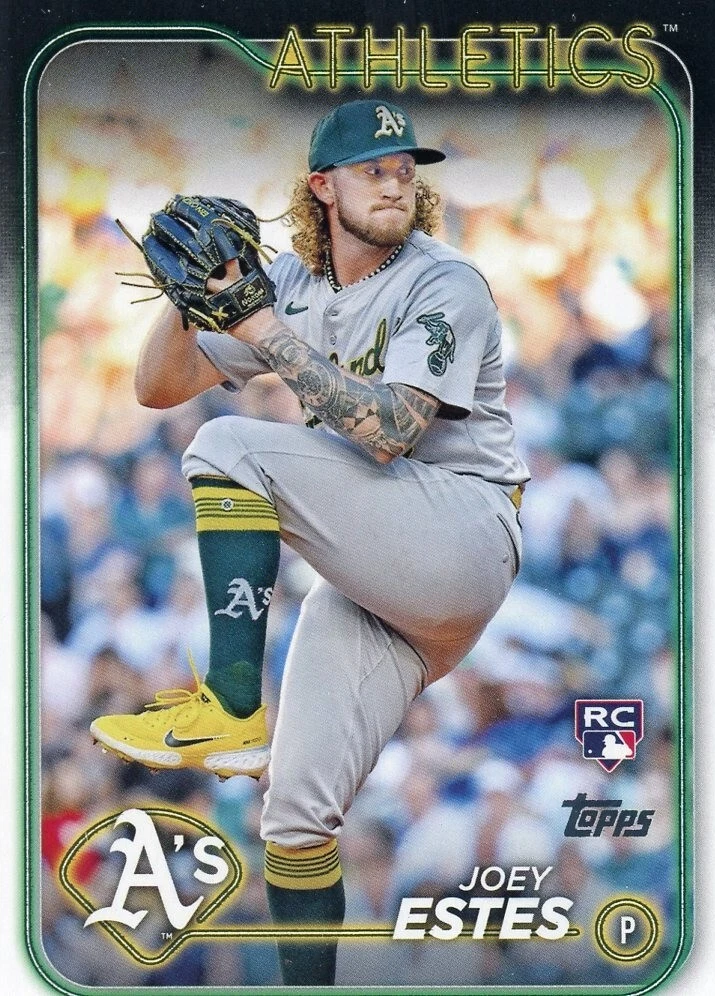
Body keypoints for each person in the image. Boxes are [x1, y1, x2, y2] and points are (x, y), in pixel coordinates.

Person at [91, 98, 530, 986]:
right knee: (293, 817)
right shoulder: (292, 278)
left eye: (404, 169)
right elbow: (156, 388)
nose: (395, 183)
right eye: (373, 169)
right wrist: (186, 300)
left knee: (229, 445)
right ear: (322, 187)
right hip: (380, 582)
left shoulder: (444, 282)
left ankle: (230, 703)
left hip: (462, 529)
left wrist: (256, 326)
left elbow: (389, 432)